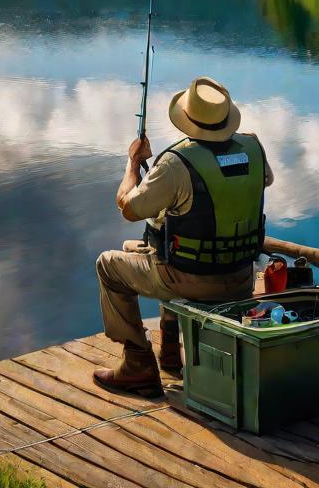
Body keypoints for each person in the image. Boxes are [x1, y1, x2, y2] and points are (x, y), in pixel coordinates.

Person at [93, 76, 273, 395]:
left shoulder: (176, 162)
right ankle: (171, 352)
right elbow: (264, 181)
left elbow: (129, 207)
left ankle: (137, 365)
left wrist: (133, 162)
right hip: (243, 276)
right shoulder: (253, 147)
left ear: (187, 120)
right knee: (145, 246)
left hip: (194, 280)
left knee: (109, 264)